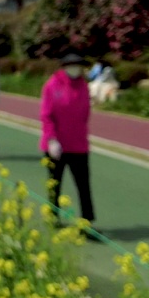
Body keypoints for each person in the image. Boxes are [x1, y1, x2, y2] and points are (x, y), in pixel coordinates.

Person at [40, 53, 97, 233]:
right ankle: (53, 215)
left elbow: (85, 114)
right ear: (64, 67)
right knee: (54, 182)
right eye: (71, 65)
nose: (75, 69)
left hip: (78, 144)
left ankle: (86, 221)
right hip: (56, 144)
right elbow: (46, 114)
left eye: (78, 66)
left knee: (83, 184)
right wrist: (51, 138)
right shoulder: (52, 85)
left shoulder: (83, 86)